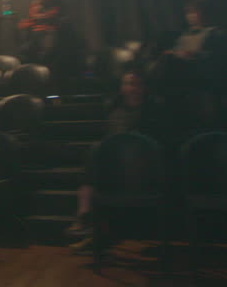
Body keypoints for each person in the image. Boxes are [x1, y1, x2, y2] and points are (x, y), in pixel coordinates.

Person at [67, 71, 167, 251]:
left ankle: (85, 217)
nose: (133, 89)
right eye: (129, 84)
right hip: (113, 169)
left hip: (143, 169)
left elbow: (156, 144)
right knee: (95, 154)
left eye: (137, 84)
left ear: (144, 88)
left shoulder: (154, 110)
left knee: (96, 154)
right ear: (122, 87)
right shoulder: (113, 109)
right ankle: (88, 222)